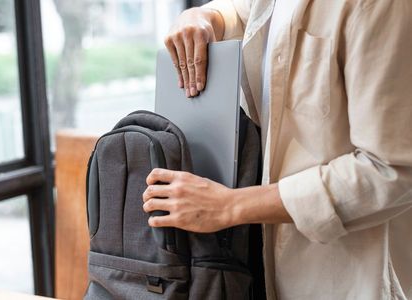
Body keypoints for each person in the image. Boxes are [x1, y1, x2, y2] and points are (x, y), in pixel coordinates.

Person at [142, 0, 412, 298]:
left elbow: (393, 171)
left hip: (354, 277)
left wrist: (231, 206)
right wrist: (206, 16)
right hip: (265, 266)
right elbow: (246, 13)